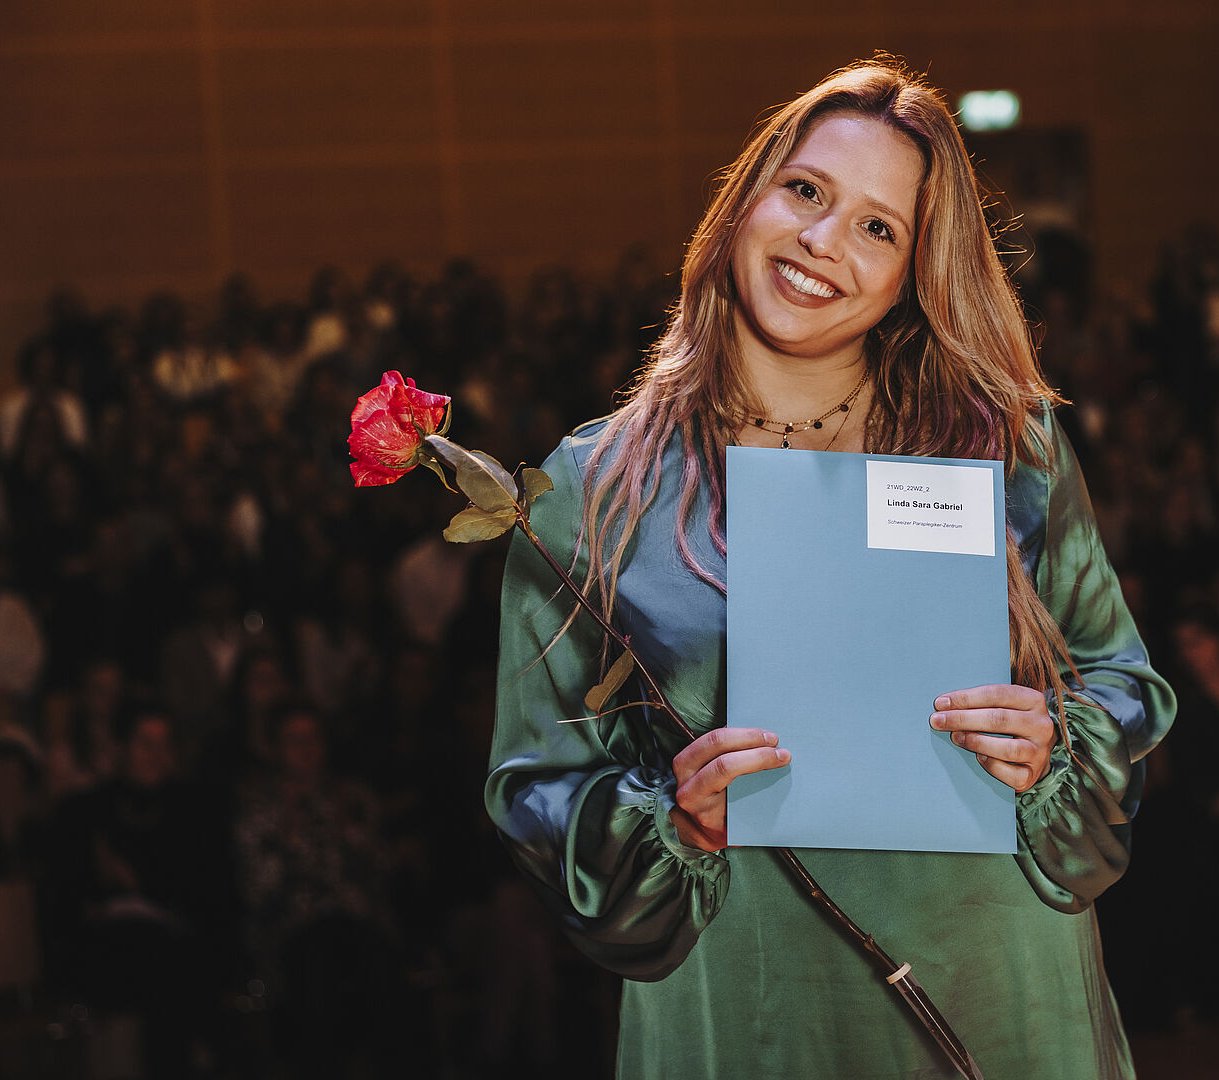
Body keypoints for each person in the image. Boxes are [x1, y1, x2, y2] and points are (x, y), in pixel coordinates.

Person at [486, 59, 1174, 1079]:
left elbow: (1121, 682)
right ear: (745, 198)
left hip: (994, 978)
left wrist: (1053, 743)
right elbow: (536, 780)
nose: (822, 241)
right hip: (746, 989)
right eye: (805, 190)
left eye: (878, 228)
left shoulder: (1004, 446)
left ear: (914, 273)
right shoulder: (593, 489)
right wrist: (673, 819)